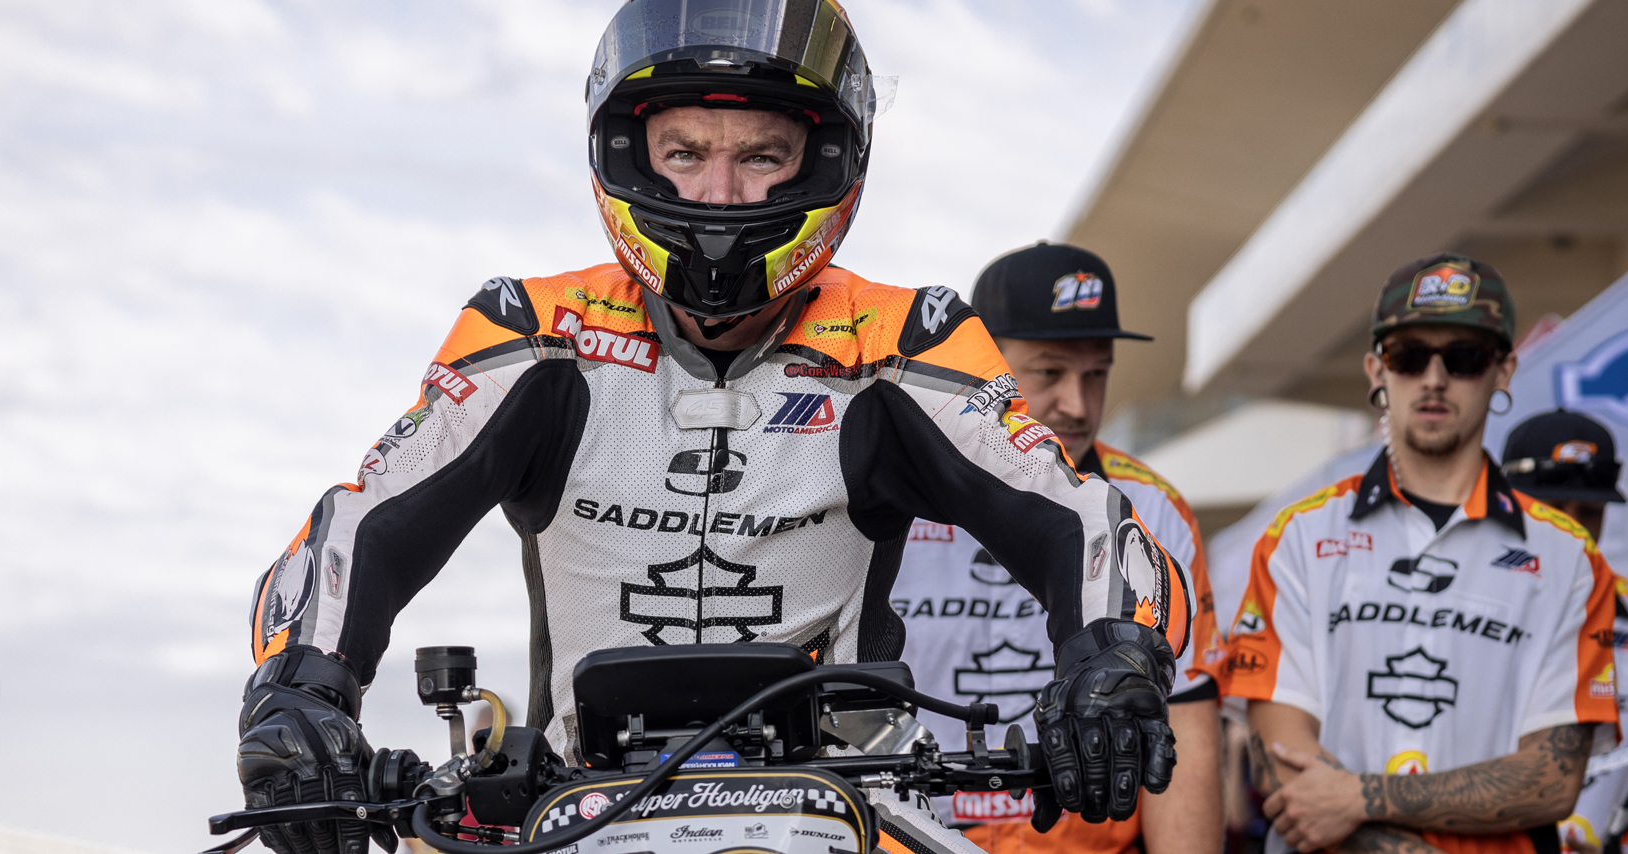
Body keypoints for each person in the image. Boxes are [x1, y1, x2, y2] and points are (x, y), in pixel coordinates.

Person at [234, 4, 1197, 854]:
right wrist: (300, 690)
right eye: (685, 154)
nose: (719, 196)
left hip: (856, 798)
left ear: (823, 158)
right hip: (578, 806)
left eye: (762, 155)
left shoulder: (906, 335)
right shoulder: (533, 329)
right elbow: (367, 516)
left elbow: (1075, 512)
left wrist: (1112, 654)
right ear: (628, 155)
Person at [1221, 253, 1619, 854]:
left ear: (1504, 370)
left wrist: (1361, 796)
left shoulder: (1570, 557)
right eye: (1409, 357)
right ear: (1376, 369)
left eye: (1463, 358)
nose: (1433, 378)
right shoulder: (1299, 536)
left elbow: (1552, 778)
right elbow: (1281, 762)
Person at [892, 242, 1225, 852]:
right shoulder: (890, 491)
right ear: (984, 363)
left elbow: (1187, 724)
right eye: (1048, 372)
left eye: (1096, 373)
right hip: (914, 834)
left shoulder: (1153, 508)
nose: (1077, 404)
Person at [1499, 411, 1628, 854]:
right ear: (1504, 502)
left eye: (1589, 512)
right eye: (1551, 510)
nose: (1571, 527)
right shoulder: (1446, 603)